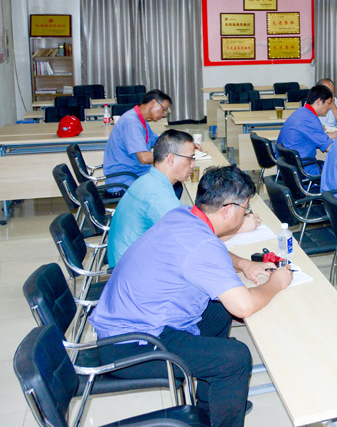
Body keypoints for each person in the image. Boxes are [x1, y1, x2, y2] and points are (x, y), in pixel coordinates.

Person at [90, 165, 292, 427]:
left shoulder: (183, 216)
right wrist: (276, 283)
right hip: (131, 345)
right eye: (245, 209)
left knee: (218, 311)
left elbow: (205, 253)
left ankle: (212, 405)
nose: (245, 215)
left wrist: (244, 264)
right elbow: (243, 306)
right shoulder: (201, 243)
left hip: (136, 323)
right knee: (235, 358)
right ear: (228, 210)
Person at [107, 130, 260, 268]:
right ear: (171, 159)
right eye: (190, 159)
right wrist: (239, 227)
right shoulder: (159, 197)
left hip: (129, 260)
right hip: (133, 268)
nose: (193, 165)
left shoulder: (150, 181)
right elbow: (196, 243)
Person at [103, 90, 171, 190]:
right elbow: (144, 158)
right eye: (163, 109)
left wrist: (181, 144)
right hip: (124, 180)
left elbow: (158, 141)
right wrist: (172, 156)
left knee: (172, 183)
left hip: (136, 174)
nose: (163, 114)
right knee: (170, 186)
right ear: (154, 103)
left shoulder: (140, 120)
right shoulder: (132, 122)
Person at [276, 84, 336, 175]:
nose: (329, 107)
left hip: (288, 169)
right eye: (328, 103)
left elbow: (318, 136)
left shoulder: (301, 112)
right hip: (304, 170)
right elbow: (331, 148)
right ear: (319, 101)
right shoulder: (310, 119)